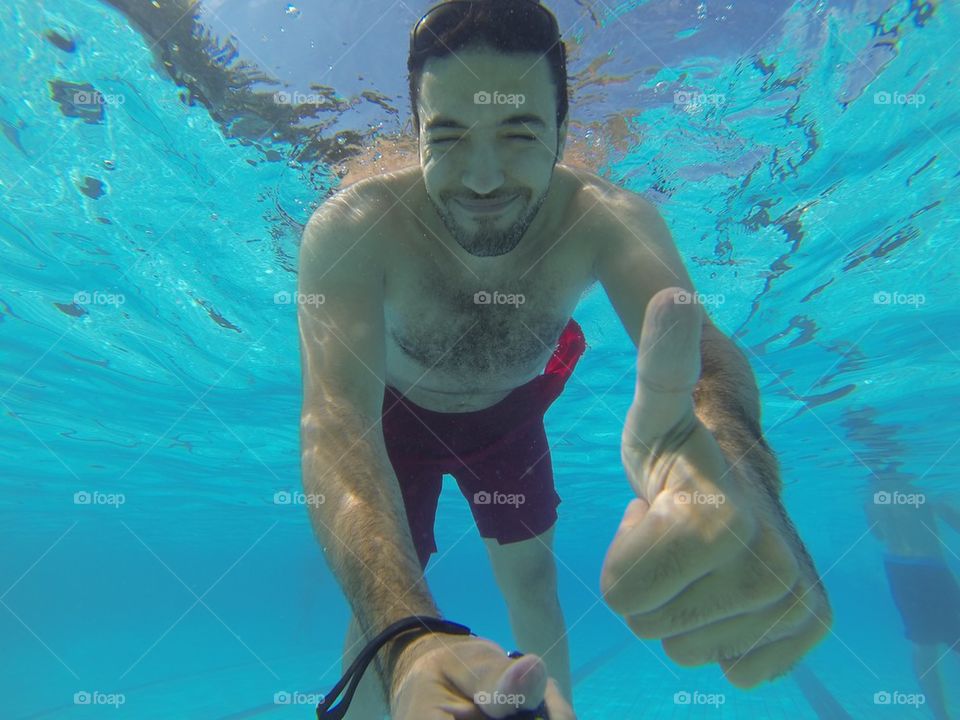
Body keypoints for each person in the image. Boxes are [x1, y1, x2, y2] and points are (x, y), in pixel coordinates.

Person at [297, 2, 832, 718]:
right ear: (417, 133)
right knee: (382, 608)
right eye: (448, 136)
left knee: (532, 581)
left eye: (519, 133)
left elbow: (700, 349)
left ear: (562, 132)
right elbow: (336, 420)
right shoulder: (354, 227)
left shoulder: (603, 217)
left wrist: (743, 474)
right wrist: (407, 638)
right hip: (396, 423)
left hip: (511, 417)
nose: (483, 179)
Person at [865, 482, 960, 720]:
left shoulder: (871, 495)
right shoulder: (917, 488)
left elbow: (877, 533)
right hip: (930, 569)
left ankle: (942, 716)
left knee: (923, 648)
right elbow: (953, 519)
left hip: (898, 570)